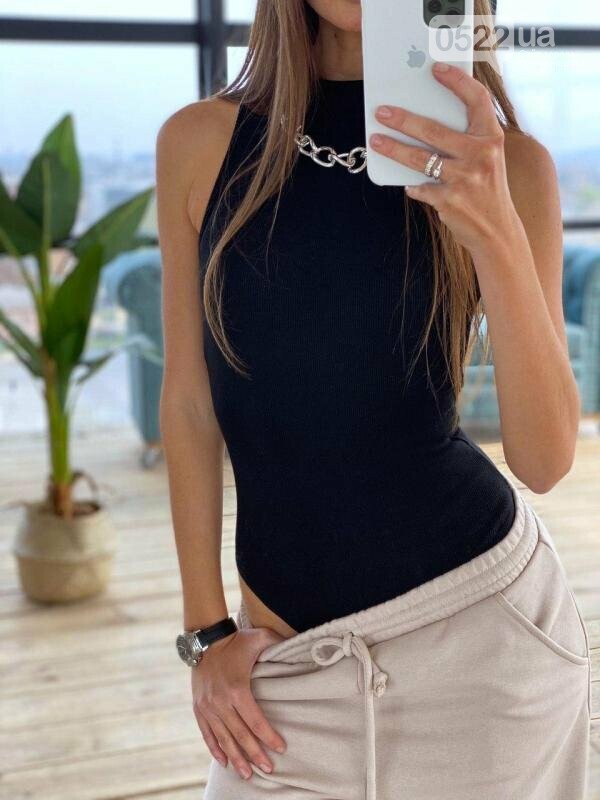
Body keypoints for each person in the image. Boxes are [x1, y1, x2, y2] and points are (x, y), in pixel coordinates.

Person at [155, 1, 591, 798]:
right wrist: (205, 630)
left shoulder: (511, 166)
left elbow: (545, 458)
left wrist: (492, 225)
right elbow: (188, 402)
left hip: (483, 656)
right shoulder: (199, 144)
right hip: (284, 680)